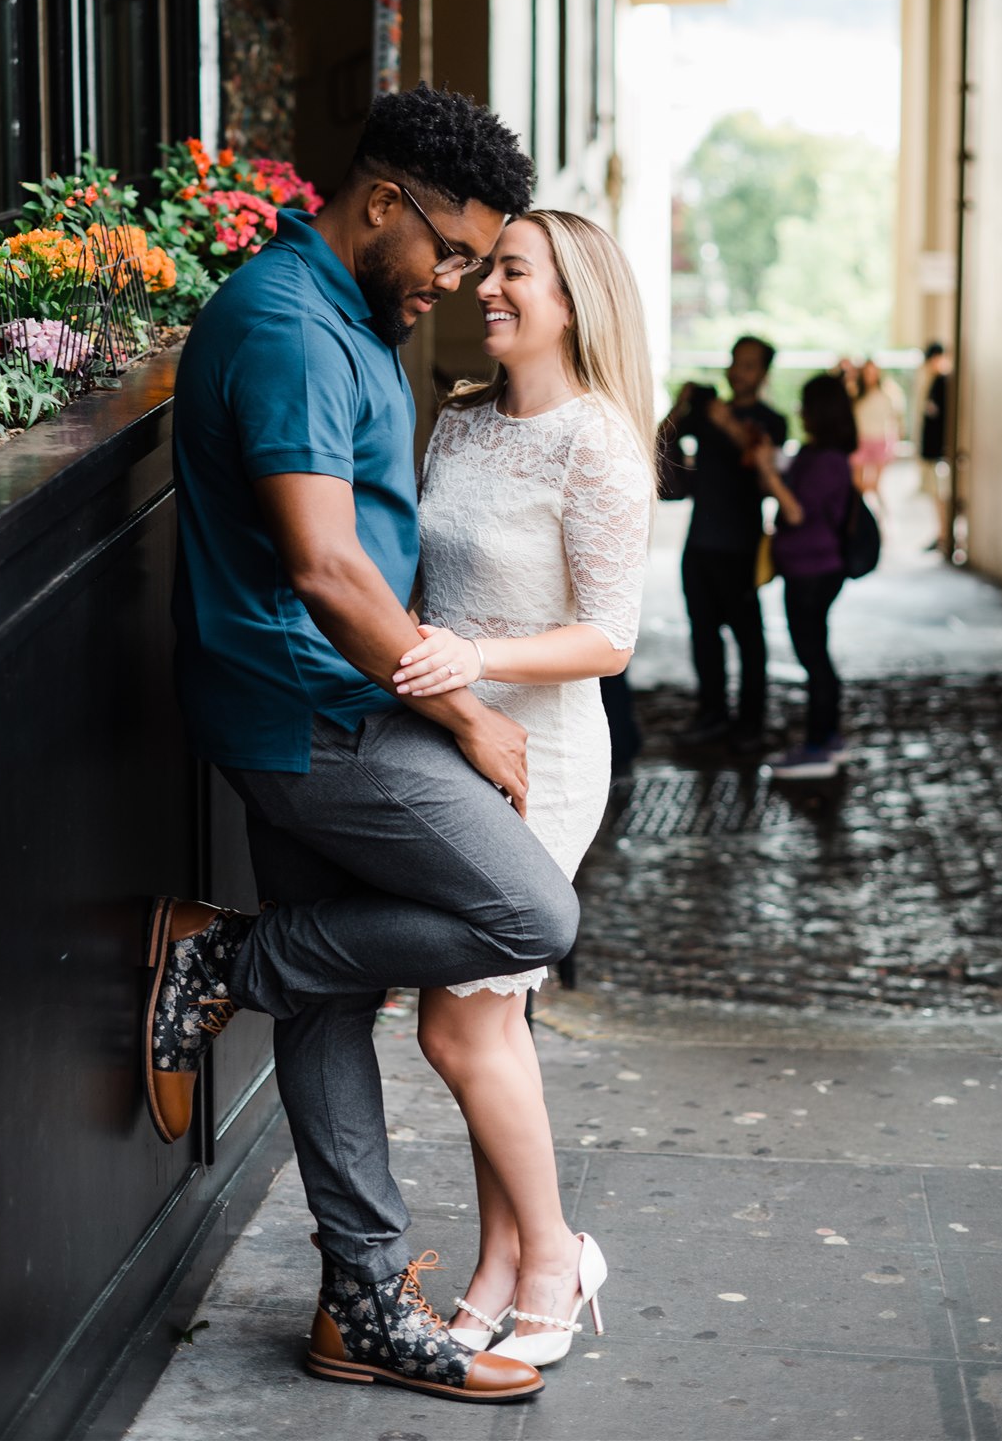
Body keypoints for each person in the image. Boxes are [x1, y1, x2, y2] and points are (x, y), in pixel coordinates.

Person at [145, 86, 575, 1408]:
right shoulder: (283, 326)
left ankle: (358, 1302)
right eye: (445, 248)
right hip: (308, 709)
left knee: (328, 996)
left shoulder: (353, 313)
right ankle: (225, 953)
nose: (453, 279)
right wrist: (463, 708)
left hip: (332, 699)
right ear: (381, 202)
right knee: (526, 909)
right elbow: (326, 569)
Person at [392, 211, 653, 1369]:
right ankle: (504, 1261)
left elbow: (609, 636)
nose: (483, 286)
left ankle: (552, 1248)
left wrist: (476, 657)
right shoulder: (456, 420)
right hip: (449, 742)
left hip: (540, 758)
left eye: (510, 271)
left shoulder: (596, 441)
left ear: (571, 298)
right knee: (485, 1022)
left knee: (458, 1021)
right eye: (485, 267)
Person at [660, 337, 787, 755]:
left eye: (749, 365)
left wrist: (726, 422)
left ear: (763, 374)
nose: (738, 371)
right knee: (703, 635)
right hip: (699, 543)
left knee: (749, 638)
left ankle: (751, 722)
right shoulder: (705, 412)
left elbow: (763, 468)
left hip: (741, 545)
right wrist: (681, 407)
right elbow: (660, 442)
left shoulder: (772, 420)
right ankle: (711, 714)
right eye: (735, 362)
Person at [752, 373, 857, 779]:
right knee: (817, 656)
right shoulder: (820, 454)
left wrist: (771, 474)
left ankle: (819, 746)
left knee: (814, 658)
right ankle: (827, 739)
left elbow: (796, 512)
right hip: (811, 569)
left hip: (814, 571)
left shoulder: (827, 460)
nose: (800, 412)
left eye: (806, 405)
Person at [849, 357, 904, 502]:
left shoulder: (886, 395)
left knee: (876, 485)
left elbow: (894, 420)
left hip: (879, 441)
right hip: (860, 440)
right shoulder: (856, 395)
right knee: (857, 483)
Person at [915, 340, 952, 552]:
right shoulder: (933, 382)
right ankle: (941, 533)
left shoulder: (943, 383)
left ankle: (944, 535)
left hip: (940, 452)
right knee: (935, 495)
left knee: (941, 495)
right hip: (934, 450)